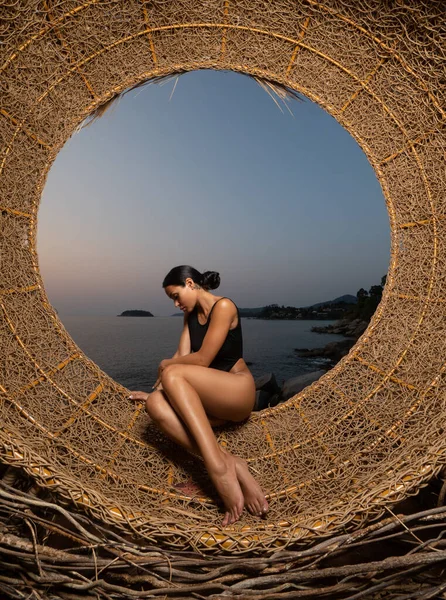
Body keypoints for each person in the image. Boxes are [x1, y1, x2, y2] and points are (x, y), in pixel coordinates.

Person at [129, 265, 268, 527]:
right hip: (209, 403)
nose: (176, 303)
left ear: (190, 284)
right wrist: (157, 394)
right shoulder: (189, 316)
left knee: (171, 372)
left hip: (237, 392)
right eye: (172, 299)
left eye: (176, 295)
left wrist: (164, 365)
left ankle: (217, 468)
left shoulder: (224, 307)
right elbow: (181, 357)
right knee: (156, 405)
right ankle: (232, 463)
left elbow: (202, 360)